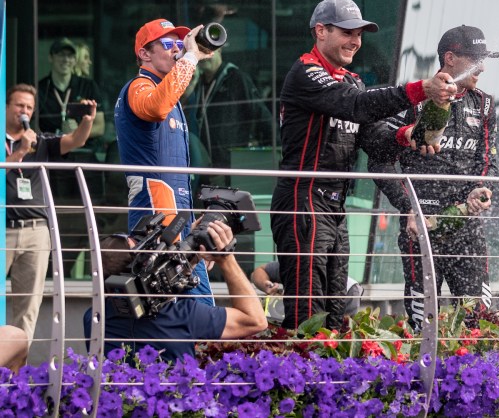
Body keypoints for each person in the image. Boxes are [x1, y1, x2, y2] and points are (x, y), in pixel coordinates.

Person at [271, 0, 455, 330]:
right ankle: (300, 380)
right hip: (303, 202)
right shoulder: (305, 72)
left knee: (337, 315)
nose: (356, 41)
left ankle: (332, 379)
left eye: (360, 34)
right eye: (347, 32)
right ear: (321, 30)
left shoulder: (351, 81)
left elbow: (372, 138)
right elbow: (356, 107)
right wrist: (419, 90)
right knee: (307, 315)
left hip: (336, 208)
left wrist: (409, 135)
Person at [364, 25, 499, 331]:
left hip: (466, 228)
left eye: (485, 58)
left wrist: (482, 190)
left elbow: (489, 162)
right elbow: (378, 160)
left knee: (478, 322)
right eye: (476, 58)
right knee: (424, 324)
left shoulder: (485, 105)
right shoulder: (414, 98)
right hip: (420, 226)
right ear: (450, 58)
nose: (483, 66)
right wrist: (408, 206)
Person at [114, 18, 217, 305]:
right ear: (145, 54)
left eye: (179, 44)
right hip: (155, 216)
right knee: (164, 305)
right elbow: (156, 107)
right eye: (168, 44)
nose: (177, 50)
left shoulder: (170, 92)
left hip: (179, 215)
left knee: (199, 308)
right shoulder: (138, 85)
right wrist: (192, 56)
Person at [83, 220, 268, 362]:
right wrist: (226, 259)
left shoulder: (93, 318)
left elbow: (153, 287)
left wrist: (193, 249)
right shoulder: (182, 316)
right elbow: (255, 321)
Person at [5, 83, 96, 341]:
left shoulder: (40, 141)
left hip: (36, 231)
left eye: (29, 107)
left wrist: (86, 121)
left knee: (28, 306)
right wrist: (22, 150)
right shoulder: (18, 144)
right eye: (20, 105)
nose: (25, 111)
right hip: (4, 228)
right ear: (6, 106)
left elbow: (75, 141)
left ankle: (14, 371)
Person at [37, 38, 107, 276]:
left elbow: (100, 127)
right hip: (54, 163)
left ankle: (91, 271)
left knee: (88, 215)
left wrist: (78, 129)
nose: (65, 60)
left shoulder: (87, 87)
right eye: (60, 55)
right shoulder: (41, 88)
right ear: (51, 58)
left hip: (84, 160)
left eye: (69, 56)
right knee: (59, 215)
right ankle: (58, 270)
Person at [182, 48, 272, 186]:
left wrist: (275, 151)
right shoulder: (197, 83)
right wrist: (189, 89)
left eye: (209, 51)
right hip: (203, 167)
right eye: (200, 51)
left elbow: (262, 116)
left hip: (231, 169)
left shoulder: (236, 78)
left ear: (220, 50)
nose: (205, 56)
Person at [251, 261, 363, 319]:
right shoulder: (295, 267)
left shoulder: (350, 290)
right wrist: (267, 286)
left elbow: (346, 332)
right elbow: (259, 271)